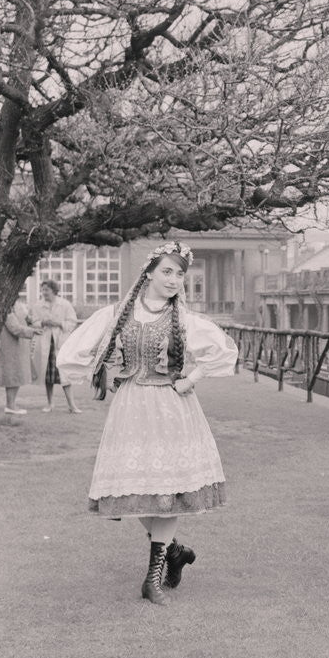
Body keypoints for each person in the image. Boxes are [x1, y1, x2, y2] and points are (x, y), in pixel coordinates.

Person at [58, 241, 238, 606]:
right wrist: (101, 369)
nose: (174, 280)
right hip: (131, 410)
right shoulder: (118, 313)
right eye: (167, 271)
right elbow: (73, 352)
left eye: (179, 274)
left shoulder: (184, 319)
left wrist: (192, 378)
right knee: (131, 492)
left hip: (172, 410)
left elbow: (224, 350)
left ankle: (152, 578)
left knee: (168, 492)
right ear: (150, 273)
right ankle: (174, 552)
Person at [36, 280, 82, 414]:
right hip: (46, 343)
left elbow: (72, 321)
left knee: (65, 375)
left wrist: (59, 323)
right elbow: (33, 321)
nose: (44, 293)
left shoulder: (65, 304)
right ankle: (50, 404)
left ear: (54, 290)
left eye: (46, 290)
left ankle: (72, 405)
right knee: (48, 376)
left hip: (60, 344)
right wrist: (42, 322)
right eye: (43, 290)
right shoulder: (39, 305)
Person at [0, 299, 42, 414]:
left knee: (16, 376)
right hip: (10, 348)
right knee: (12, 376)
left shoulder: (15, 305)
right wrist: (32, 331)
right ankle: (10, 406)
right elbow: (14, 328)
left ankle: (11, 404)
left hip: (16, 347)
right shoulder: (6, 308)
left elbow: (23, 320)